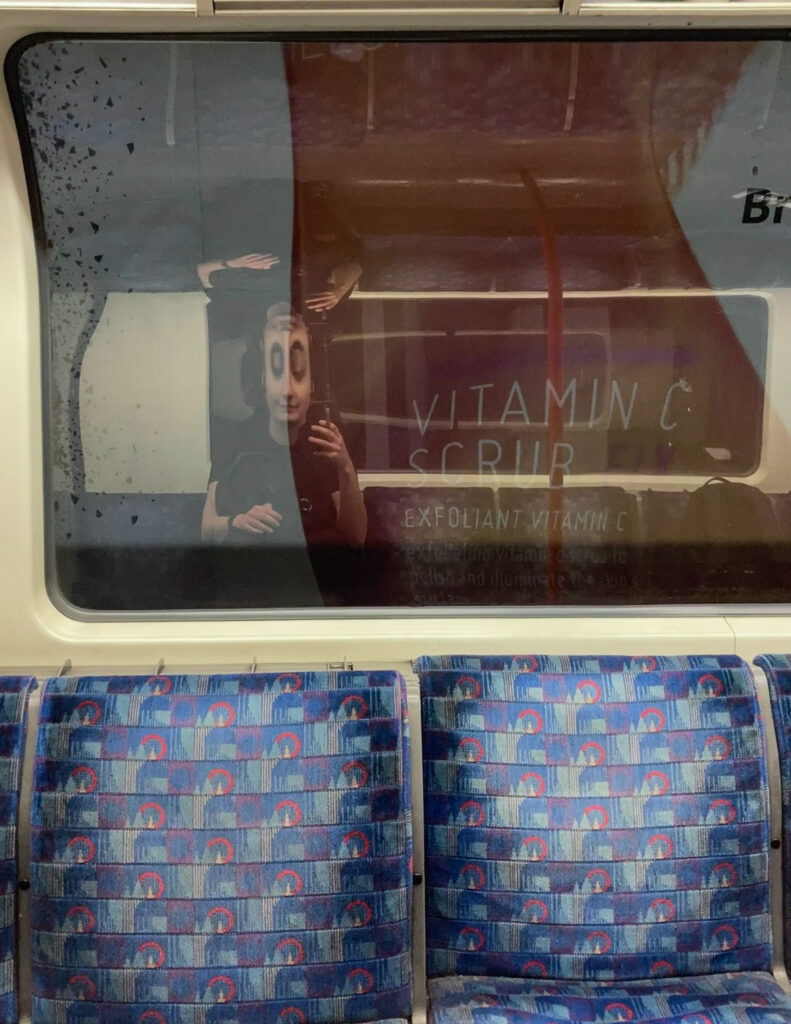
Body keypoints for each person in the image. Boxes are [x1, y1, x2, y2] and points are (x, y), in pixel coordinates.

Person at [201, 304, 367, 555]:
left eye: (299, 376)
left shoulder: (325, 444)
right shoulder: (235, 440)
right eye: (277, 373)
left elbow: (356, 537)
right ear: (263, 382)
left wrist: (345, 466)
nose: (287, 392)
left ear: (313, 387)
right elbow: (207, 530)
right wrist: (235, 522)